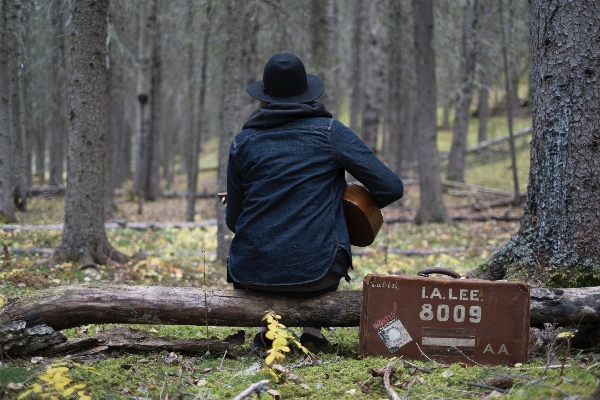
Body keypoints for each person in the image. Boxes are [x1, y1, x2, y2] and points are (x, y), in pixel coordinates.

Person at [225, 53, 403, 349]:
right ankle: (313, 332)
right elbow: (391, 187)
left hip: (252, 272)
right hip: (317, 272)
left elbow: (233, 221)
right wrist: (349, 205)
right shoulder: (331, 133)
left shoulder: (241, 143)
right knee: (321, 242)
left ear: (264, 97)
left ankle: (269, 330)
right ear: (306, 94)